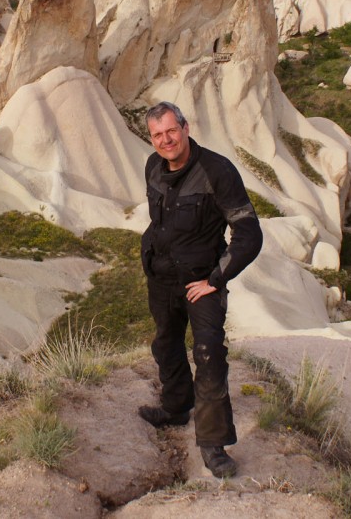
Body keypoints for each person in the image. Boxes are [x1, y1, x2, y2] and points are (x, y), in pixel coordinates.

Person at [138, 101, 263, 478]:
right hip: (162, 278)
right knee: (166, 344)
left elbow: (249, 233)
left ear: (186, 128)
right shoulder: (152, 167)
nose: (166, 140)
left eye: (171, 131)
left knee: (209, 355)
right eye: (158, 134)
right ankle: (176, 408)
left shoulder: (216, 170)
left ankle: (213, 444)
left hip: (201, 282)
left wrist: (215, 280)